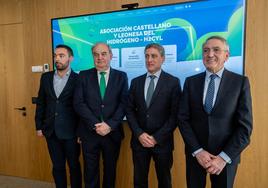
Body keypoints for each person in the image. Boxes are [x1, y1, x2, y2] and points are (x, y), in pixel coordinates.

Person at [178, 36, 253, 188]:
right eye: (206, 50)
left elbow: (244, 128)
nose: (210, 54)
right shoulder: (190, 82)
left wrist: (223, 158)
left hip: (225, 159)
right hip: (196, 155)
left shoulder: (240, 83)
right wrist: (198, 151)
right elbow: (183, 119)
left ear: (227, 55)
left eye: (216, 50)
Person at [126, 43, 181, 188]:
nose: (149, 60)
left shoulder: (173, 82)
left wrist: (156, 138)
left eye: (154, 56)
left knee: (164, 181)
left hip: (162, 143)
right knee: (139, 181)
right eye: (147, 56)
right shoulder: (136, 82)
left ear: (162, 58)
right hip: (139, 142)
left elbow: (175, 115)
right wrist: (139, 134)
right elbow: (129, 111)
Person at [73, 42, 128, 188]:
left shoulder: (121, 76)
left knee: (110, 170)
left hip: (112, 133)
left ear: (111, 55)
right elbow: (79, 103)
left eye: (103, 54)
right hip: (89, 132)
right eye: (96, 54)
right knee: (90, 172)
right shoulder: (83, 76)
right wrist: (96, 125)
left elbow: (124, 104)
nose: (100, 57)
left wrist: (109, 125)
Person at [35, 44, 82, 188]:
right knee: (57, 166)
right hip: (51, 131)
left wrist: (81, 132)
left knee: (74, 166)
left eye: (61, 56)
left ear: (70, 58)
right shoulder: (46, 77)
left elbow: (81, 107)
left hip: (71, 132)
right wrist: (38, 126)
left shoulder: (79, 79)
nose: (57, 59)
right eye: (56, 56)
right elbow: (41, 103)